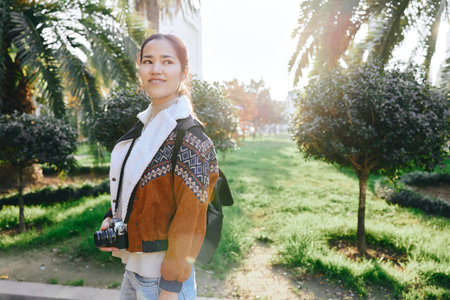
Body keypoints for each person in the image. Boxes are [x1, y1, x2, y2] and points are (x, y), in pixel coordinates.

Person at [98, 33, 219, 300]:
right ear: (139, 69)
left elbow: (191, 220)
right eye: (148, 61)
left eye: (167, 62)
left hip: (163, 282)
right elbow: (132, 186)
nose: (156, 69)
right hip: (133, 270)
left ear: (184, 72)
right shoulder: (145, 128)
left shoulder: (191, 139)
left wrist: (170, 288)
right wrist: (111, 217)